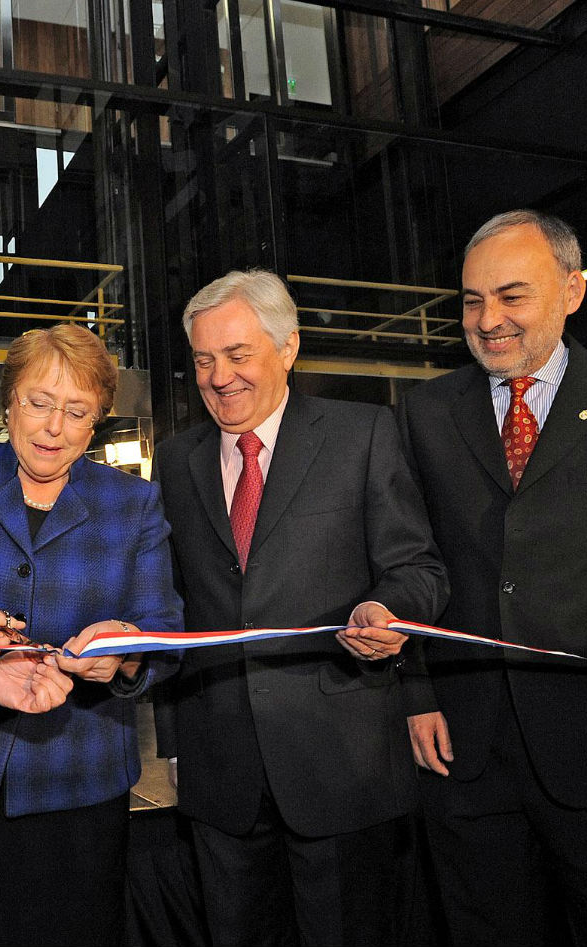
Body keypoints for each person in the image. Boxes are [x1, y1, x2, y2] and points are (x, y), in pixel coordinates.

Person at [151, 269, 448, 947]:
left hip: (341, 765)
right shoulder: (174, 460)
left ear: (287, 348)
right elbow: (171, 605)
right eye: (202, 360)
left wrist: (386, 607)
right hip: (219, 767)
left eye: (236, 354)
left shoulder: (363, 433)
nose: (218, 376)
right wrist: (173, 744)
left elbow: (417, 568)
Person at [0, 323, 183, 947]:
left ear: (96, 422)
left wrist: (122, 654)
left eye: (76, 413)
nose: (53, 428)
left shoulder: (135, 503)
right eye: (38, 403)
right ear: (8, 401)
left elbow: (163, 627)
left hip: (83, 775)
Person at [396, 210, 587, 947]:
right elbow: (406, 561)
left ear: (571, 290)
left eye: (512, 295)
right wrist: (414, 693)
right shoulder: (423, 411)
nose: (487, 319)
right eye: (472, 300)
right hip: (463, 747)